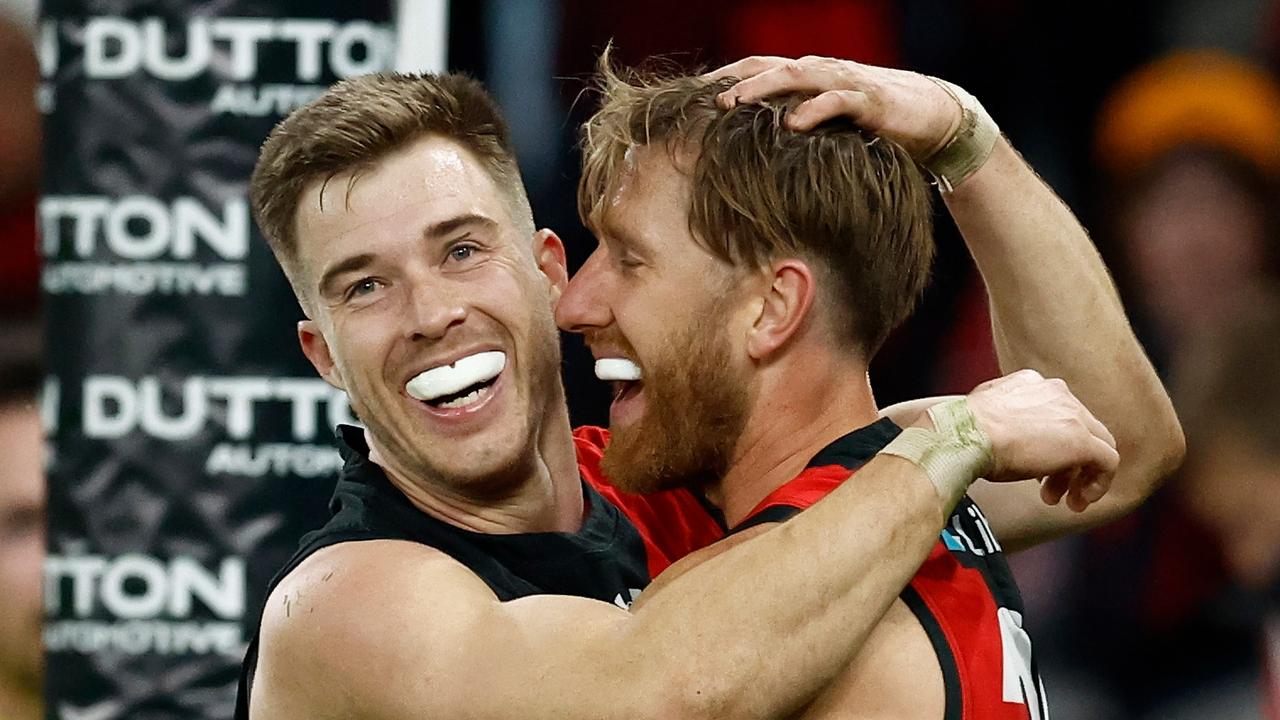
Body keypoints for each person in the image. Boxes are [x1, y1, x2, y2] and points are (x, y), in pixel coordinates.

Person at [236, 70, 1120, 720]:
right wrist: (947, 437)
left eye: (461, 250)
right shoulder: (347, 602)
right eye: (363, 287)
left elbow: (1099, 439)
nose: (429, 314)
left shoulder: (672, 495)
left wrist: (965, 142)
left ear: (550, 272)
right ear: (322, 355)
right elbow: (657, 692)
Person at [555, 54, 1183, 717]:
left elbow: (1110, 444)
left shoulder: (842, 578)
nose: (574, 303)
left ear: (772, 309)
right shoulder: (913, 472)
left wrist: (962, 136)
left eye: (629, 259)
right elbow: (1109, 441)